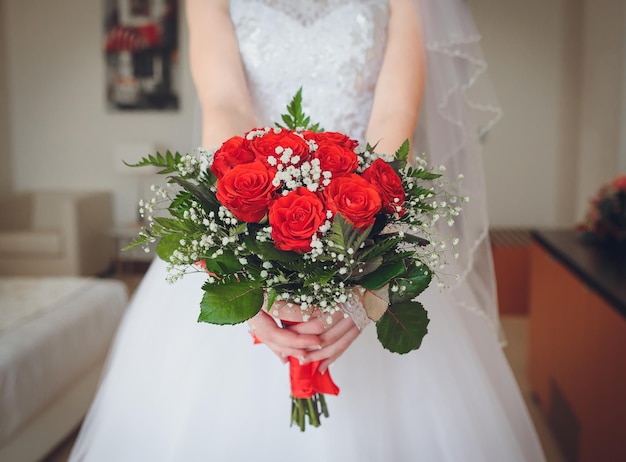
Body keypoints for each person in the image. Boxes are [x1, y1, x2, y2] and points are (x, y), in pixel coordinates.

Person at [70, 0, 546, 460]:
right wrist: (238, 262)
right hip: (254, 215)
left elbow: (394, 118)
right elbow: (226, 106)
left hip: (363, 220)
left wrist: (370, 276)